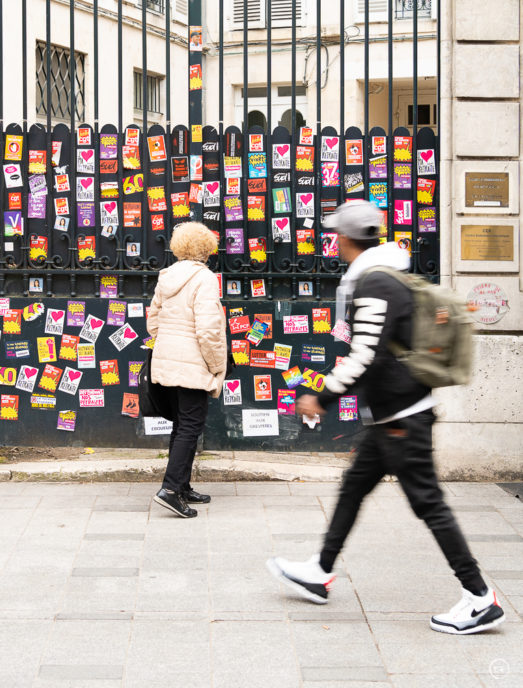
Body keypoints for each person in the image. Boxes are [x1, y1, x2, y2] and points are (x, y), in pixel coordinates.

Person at [267, 200, 505, 636]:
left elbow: (366, 355)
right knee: (354, 487)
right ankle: (320, 571)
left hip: (402, 417)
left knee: (428, 504)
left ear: (344, 238)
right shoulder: (383, 276)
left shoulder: (375, 283)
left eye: (336, 234)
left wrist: (323, 395)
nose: (333, 240)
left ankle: (479, 597)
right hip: (389, 416)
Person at [147, 221, 227, 518]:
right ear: (206, 249)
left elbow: (152, 321)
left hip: (169, 358)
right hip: (194, 361)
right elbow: (208, 330)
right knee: (191, 425)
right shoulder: (204, 278)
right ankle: (170, 489)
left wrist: (167, 343)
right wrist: (217, 365)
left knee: (182, 424)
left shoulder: (167, 276)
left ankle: (181, 485)